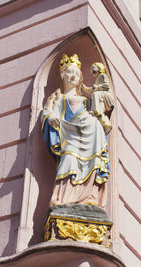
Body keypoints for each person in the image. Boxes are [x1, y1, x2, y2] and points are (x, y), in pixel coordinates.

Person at [41, 54, 110, 208]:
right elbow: (47, 112)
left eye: (77, 74)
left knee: (94, 162)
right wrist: (51, 118)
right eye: (69, 72)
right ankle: (62, 198)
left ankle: (91, 196)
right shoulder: (59, 98)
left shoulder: (87, 100)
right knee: (69, 161)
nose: (73, 76)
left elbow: (103, 107)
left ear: (80, 79)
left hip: (92, 137)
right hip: (69, 136)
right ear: (62, 74)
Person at [85, 62, 114, 135]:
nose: (92, 69)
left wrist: (97, 87)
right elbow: (92, 89)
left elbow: (106, 85)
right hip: (102, 97)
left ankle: (95, 111)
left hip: (107, 96)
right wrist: (85, 89)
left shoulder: (103, 76)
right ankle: (104, 122)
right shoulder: (97, 79)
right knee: (99, 103)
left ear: (99, 68)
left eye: (93, 67)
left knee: (95, 94)